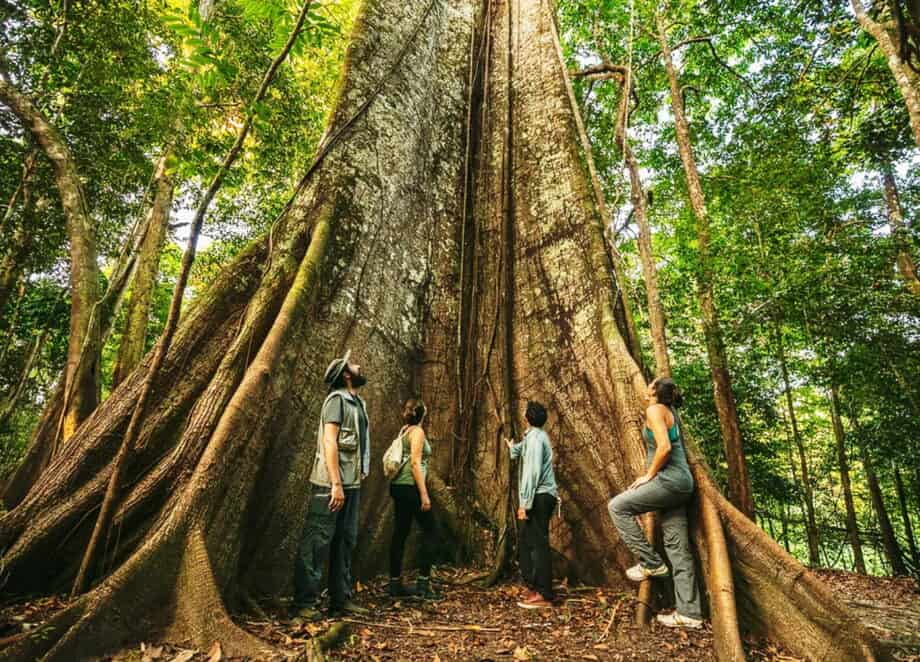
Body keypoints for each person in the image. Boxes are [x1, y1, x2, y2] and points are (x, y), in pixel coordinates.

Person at [607, 377, 704, 629]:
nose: (646, 387)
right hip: (683, 485)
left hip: (669, 481)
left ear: (655, 392)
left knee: (617, 507)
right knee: (677, 547)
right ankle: (690, 613)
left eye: (650, 385)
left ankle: (651, 563)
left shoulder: (655, 410)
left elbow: (664, 447)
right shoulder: (670, 412)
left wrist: (649, 475)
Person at [292, 350, 371, 620]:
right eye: (353, 365)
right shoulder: (336, 401)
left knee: (345, 541)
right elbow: (329, 441)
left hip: (351, 484)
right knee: (317, 542)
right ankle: (304, 603)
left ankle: (341, 599)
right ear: (346, 375)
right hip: (330, 484)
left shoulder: (357, 403)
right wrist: (336, 483)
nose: (359, 365)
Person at [505, 401, 559, 609]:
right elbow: (520, 450)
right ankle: (535, 586)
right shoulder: (533, 437)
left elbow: (532, 472)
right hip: (539, 496)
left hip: (539, 496)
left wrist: (525, 504)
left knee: (538, 544)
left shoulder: (536, 439)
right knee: (528, 541)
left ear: (526, 418)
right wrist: (512, 447)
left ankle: (545, 594)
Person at [388, 398, 442, 600]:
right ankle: (423, 585)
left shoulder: (405, 430)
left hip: (398, 487)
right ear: (423, 414)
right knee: (432, 531)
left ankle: (395, 584)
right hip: (410, 487)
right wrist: (424, 494)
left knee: (400, 534)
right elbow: (415, 463)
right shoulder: (417, 432)